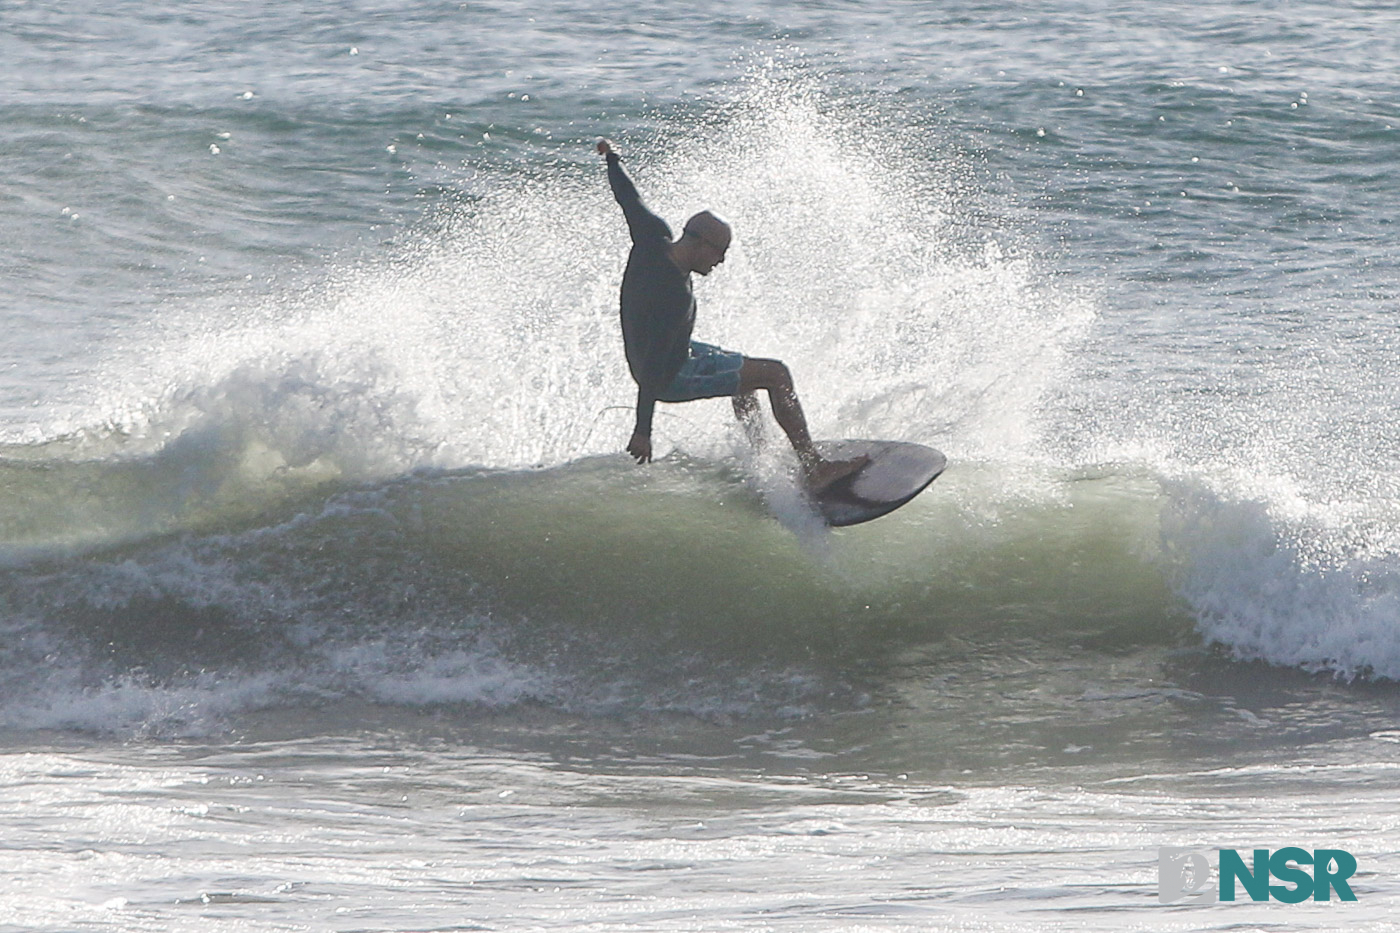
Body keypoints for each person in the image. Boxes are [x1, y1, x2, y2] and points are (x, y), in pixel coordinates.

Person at [597, 138, 865, 492]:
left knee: (749, 378)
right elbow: (653, 367)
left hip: (670, 353)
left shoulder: (652, 237)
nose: (720, 261)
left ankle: (764, 459)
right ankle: (814, 469)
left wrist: (612, 158)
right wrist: (643, 430)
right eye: (719, 252)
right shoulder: (672, 298)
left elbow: (628, 198)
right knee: (776, 374)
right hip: (668, 375)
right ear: (699, 243)